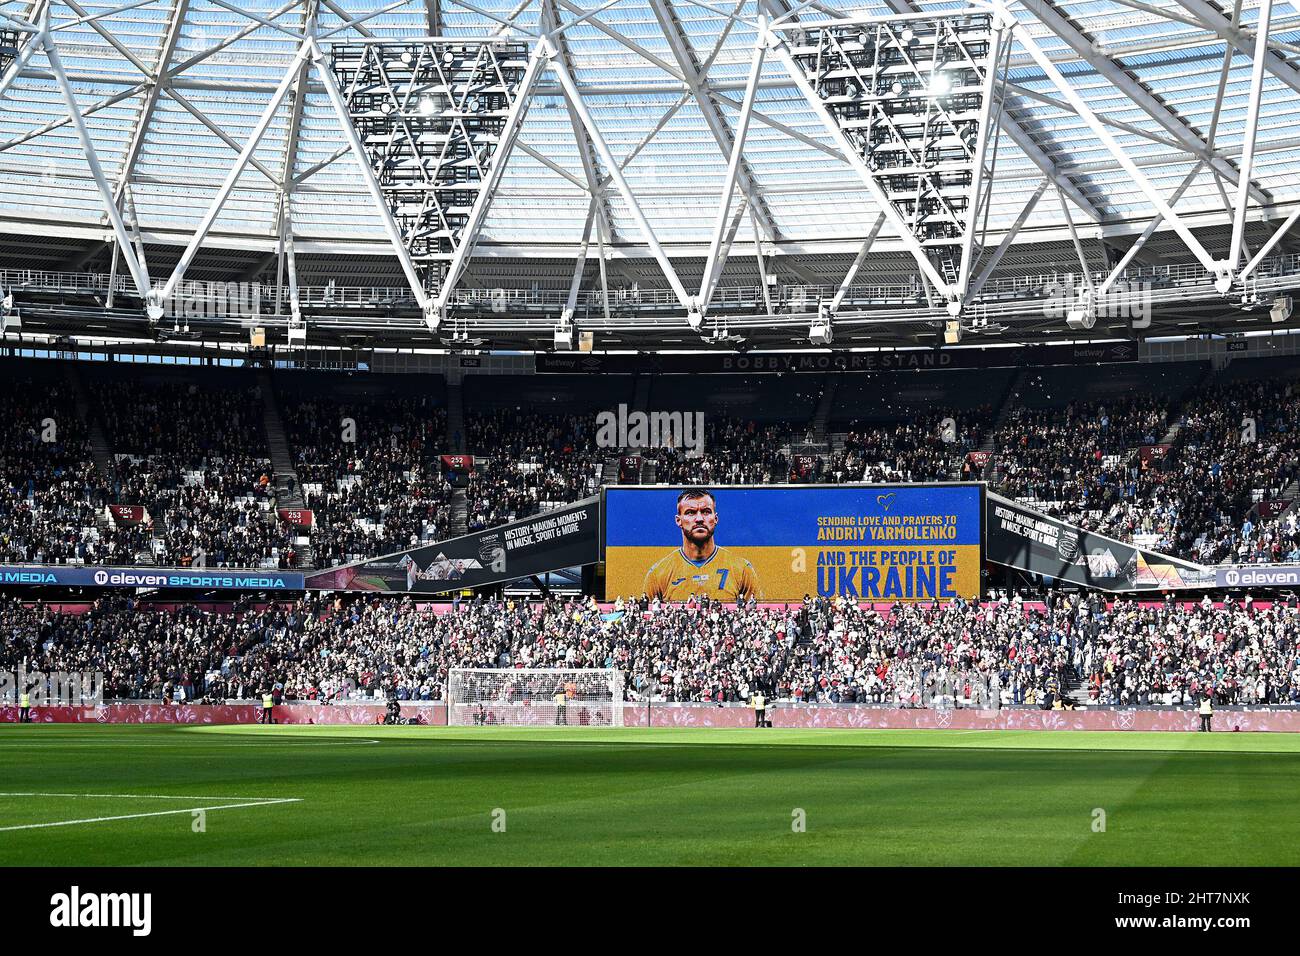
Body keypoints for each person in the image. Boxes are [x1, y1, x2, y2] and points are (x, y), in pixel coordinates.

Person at [642, 489, 761, 602]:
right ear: (678, 520)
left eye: (706, 512)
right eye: (690, 513)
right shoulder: (658, 573)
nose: (699, 519)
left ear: (715, 519)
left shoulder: (742, 569)